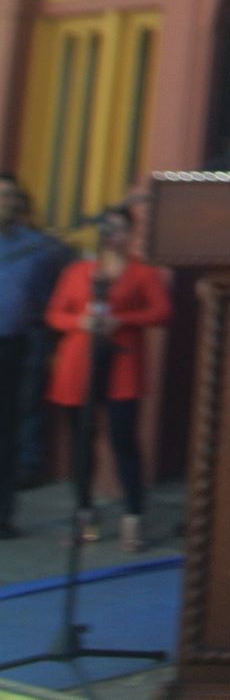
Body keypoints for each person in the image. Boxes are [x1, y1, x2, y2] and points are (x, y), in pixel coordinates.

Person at [44, 204, 171, 552]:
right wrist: (78, 323)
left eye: (117, 228)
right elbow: (55, 313)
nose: (110, 235)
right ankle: (85, 511)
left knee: (123, 439)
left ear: (130, 233)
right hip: (78, 365)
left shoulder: (143, 273)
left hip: (121, 366)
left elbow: (162, 312)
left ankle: (133, 515)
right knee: (82, 442)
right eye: (106, 228)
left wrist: (123, 319)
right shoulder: (77, 271)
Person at [1, 175, 69, 538]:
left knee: (8, 430)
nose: (5, 203)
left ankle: (2, 514)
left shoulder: (40, 249)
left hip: (17, 345)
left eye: (10, 197)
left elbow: (68, 279)